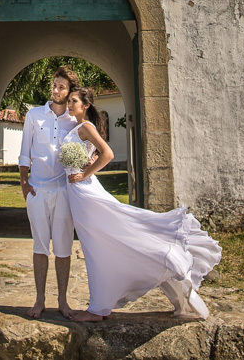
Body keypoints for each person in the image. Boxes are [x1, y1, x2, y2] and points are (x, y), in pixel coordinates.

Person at [63, 87, 221, 321]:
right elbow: (94, 153)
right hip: (76, 193)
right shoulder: (78, 127)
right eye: (69, 101)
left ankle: (98, 308)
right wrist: (87, 162)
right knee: (95, 246)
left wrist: (84, 174)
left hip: (84, 193)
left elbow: (107, 154)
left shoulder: (86, 127)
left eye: (73, 101)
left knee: (97, 246)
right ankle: (100, 304)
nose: (69, 104)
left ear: (85, 105)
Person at [17, 64, 80, 319]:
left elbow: (91, 149)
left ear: (69, 91)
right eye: (54, 84)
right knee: (40, 247)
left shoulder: (75, 120)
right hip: (37, 191)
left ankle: (63, 301)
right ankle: (40, 299)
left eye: (61, 87)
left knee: (64, 248)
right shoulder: (34, 115)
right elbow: (24, 151)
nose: (55, 89)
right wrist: (24, 185)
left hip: (64, 192)